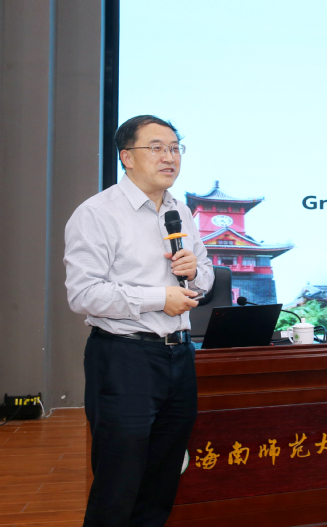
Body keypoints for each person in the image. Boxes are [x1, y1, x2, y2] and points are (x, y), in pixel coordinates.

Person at [64, 115, 214, 526]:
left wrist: (194, 272)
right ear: (127, 157)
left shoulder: (180, 211)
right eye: (157, 148)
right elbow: (83, 294)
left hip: (179, 358)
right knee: (119, 485)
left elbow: (204, 277)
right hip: (124, 358)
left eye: (175, 148)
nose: (169, 157)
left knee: (162, 481)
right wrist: (158, 298)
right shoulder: (97, 214)